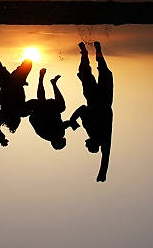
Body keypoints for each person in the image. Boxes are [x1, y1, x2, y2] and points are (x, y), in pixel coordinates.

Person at [69, 41, 113, 182]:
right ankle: (96, 51)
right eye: (88, 145)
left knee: (88, 72)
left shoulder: (90, 130)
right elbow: (105, 157)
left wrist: (72, 120)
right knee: (103, 71)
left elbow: (82, 109)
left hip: (95, 98)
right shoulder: (103, 139)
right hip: (103, 99)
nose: (85, 143)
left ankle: (85, 53)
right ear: (93, 144)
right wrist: (102, 173)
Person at [27, 68, 78, 150]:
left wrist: (37, 114)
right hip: (52, 110)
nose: (62, 137)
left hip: (38, 112)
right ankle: (54, 83)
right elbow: (64, 124)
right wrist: (72, 123)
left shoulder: (45, 134)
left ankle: (41, 78)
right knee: (62, 107)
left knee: (41, 102)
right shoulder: (61, 133)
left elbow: (33, 121)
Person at [0, 57, 32, 138]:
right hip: (16, 82)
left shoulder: (5, 114)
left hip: (7, 83)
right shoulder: (22, 111)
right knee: (28, 63)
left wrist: (1, 138)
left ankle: (10, 77)